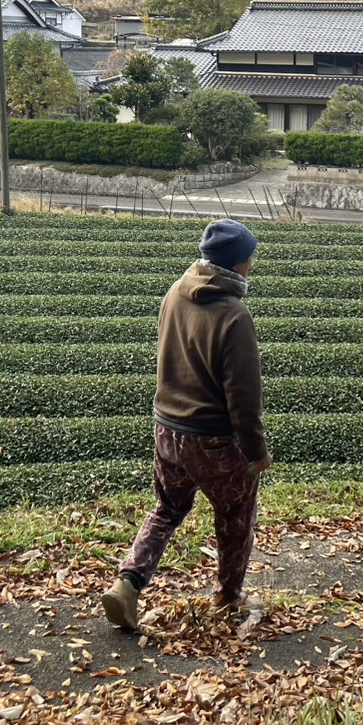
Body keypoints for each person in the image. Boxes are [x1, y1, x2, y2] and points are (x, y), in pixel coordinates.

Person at [102, 219, 273, 632]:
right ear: (240, 264)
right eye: (251, 256)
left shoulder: (175, 294)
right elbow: (244, 400)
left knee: (167, 508)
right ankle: (229, 597)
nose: (253, 262)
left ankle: (127, 584)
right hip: (212, 438)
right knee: (236, 515)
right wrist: (256, 453)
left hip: (166, 429)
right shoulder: (235, 315)